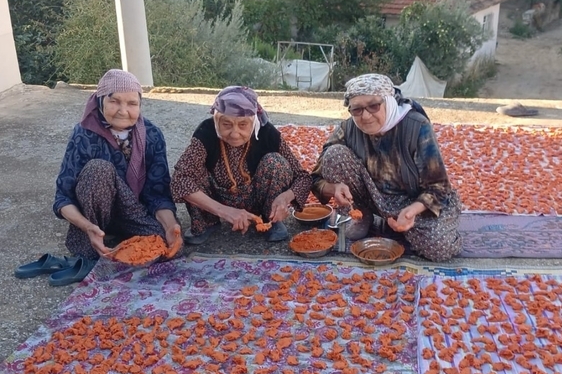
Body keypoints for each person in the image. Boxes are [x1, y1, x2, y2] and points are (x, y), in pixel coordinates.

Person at [49, 69, 181, 284]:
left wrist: (169, 226)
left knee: (165, 246)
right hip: (93, 218)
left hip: (134, 212)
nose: (123, 111)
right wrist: (87, 226)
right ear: (100, 101)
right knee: (98, 169)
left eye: (132, 103)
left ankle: (122, 237)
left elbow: (158, 194)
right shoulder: (84, 134)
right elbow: (63, 199)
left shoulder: (152, 135)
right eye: (114, 102)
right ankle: (95, 238)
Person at [310, 73, 461, 262]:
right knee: (334, 154)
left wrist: (412, 211)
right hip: (374, 198)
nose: (365, 116)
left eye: (374, 106)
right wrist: (333, 188)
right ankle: (361, 215)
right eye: (357, 109)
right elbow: (315, 178)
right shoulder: (348, 129)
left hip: (412, 202)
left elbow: (438, 186)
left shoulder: (416, 127)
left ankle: (401, 225)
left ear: (389, 101)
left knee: (439, 247)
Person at [171, 86, 311, 244]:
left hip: (256, 198)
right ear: (217, 121)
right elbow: (179, 180)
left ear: (253, 122)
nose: (235, 133)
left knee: (275, 163)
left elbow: (303, 177)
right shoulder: (206, 132)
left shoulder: (267, 134)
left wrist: (284, 198)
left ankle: (269, 220)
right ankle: (206, 222)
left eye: (243, 125)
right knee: (191, 169)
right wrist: (225, 211)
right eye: (226, 125)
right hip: (216, 197)